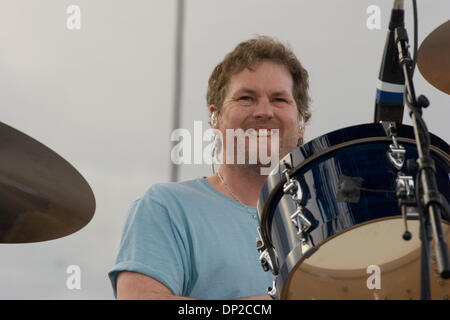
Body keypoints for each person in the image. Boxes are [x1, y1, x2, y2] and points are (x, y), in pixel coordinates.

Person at [108, 35, 311, 300]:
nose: (264, 111)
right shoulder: (166, 207)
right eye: (246, 98)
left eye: (279, 100)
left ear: (301, 125)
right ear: (215, 118)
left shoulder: (323, 219)